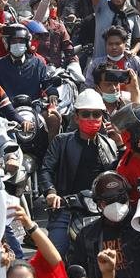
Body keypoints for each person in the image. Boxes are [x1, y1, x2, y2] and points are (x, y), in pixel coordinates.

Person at [40, 89, 120, 255]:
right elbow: (47, 169)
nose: (91, 118)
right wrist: (51, 192)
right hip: (66, 207)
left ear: (102, 117)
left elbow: (120, 174)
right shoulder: (61, 141)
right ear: (76, 117)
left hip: (102, 209)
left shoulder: (111, 144)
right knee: (55, 255)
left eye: (96, 114)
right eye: (86, 114)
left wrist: (122, 145)